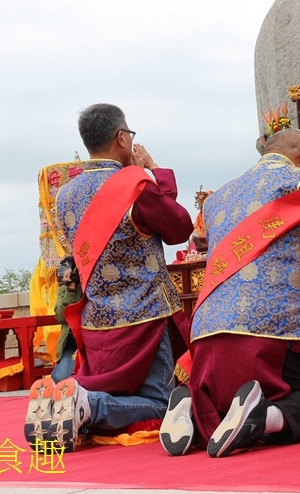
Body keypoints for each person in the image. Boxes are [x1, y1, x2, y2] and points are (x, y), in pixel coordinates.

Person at [159, 129, 300, 458]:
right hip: (277, 332)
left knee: (232, 392)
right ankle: (262, 419)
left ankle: (190, 407)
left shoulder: (218, 199)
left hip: (207, 333)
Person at [23, 104, 194, 452]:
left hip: (98, 319)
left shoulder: (66, 194)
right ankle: (86, 406)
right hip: (145, 312)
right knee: (160, 404)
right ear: (121, 138)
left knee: (113, 389)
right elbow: (178, 227)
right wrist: (155, 170)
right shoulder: (135, 185)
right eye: (130, 135)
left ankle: (77, 402)